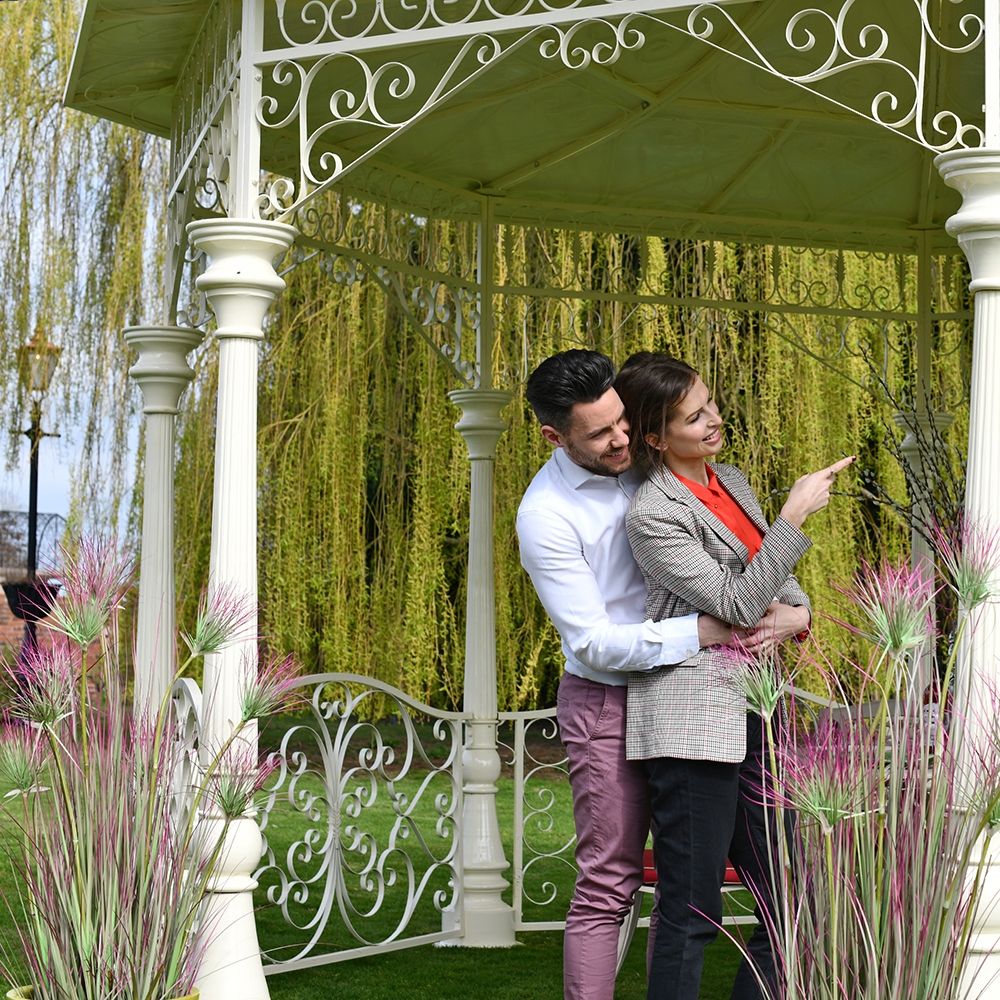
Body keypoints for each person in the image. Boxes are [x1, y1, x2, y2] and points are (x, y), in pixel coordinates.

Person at [614, 353, 854, 1000]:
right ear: (656, 438)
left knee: (792, 898)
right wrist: (794, 516)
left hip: (759, 708)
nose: (714, 420)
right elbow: (740, 601)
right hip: (693, 720)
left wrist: (799, 614)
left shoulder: (735, 482)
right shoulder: (652, 515)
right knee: (692, 912)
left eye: (711, 403)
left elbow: (781, 587)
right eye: (694, 417)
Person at [516, 349, 732, 1000]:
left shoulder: (646, 461)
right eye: (600, 433)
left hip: (689, 693)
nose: (622, 439)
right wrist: (703, 630)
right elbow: (594, 642)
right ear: (555, 436)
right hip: (608, 704)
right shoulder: (545, 516)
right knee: (609, 881)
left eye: (622, 421)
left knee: (687, 874)